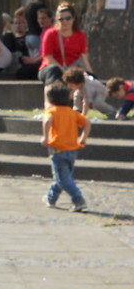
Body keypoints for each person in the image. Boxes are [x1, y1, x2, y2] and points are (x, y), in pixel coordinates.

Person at [41, 81, 90, 212]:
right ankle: (51, 198)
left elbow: (47, 121)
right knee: (63, 177)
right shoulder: (72, 112)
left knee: (62, 178)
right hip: (73, 149)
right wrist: (83, 138)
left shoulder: (51, 111)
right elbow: (87, 122)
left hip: (57, 149)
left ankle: (78, 200)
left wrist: (45, 136)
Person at [39, 1, 90, 86]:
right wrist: (64, 72)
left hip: (72, 69)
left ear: (73, 19)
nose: (64, 21)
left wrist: (91, 74)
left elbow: (84, 58)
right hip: (51, 69)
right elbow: (48, 58)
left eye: (68, 18)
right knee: (54, 71)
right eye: (61, 19)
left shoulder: (80, 36)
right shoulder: (50, 34)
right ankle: (51, 97)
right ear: (56, 20)